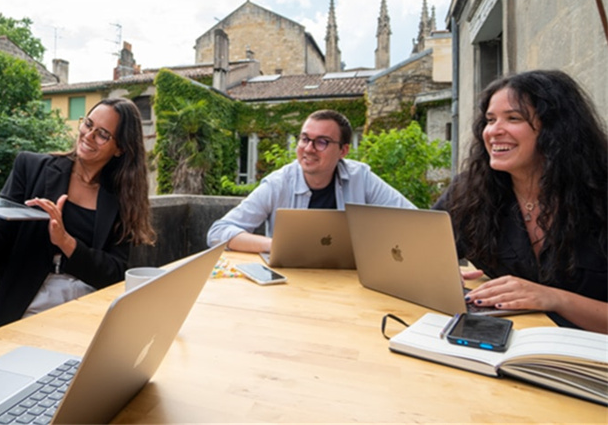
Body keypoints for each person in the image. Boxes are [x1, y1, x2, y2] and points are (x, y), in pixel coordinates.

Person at [0, 98, 155, 328]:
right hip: (30, 305)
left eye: (103, 134)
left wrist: (66, 242)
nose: (88, 135)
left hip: (91, 307)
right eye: (88, 124)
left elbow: (115, 273)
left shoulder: (122, 197)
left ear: (121, 148)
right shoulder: (32, 168)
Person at [433, 70, 607, 333]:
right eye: (490, 120)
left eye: (513, 118)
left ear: (556, 129)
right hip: (507, 347)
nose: (494, 131)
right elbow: (421, 249)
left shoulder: (600, 194)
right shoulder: (471, 191)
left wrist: (554, 299)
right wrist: (437, 273)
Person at [207, 109, 415, 253]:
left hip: (348, 281)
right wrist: (276, 245)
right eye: (305, 139)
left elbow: (413, 221)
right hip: (289, 285)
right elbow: (218, 232)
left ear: (343, 151)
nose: (308, 148)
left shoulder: (361, 177)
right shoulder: (279, 183)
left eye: (322, 142)